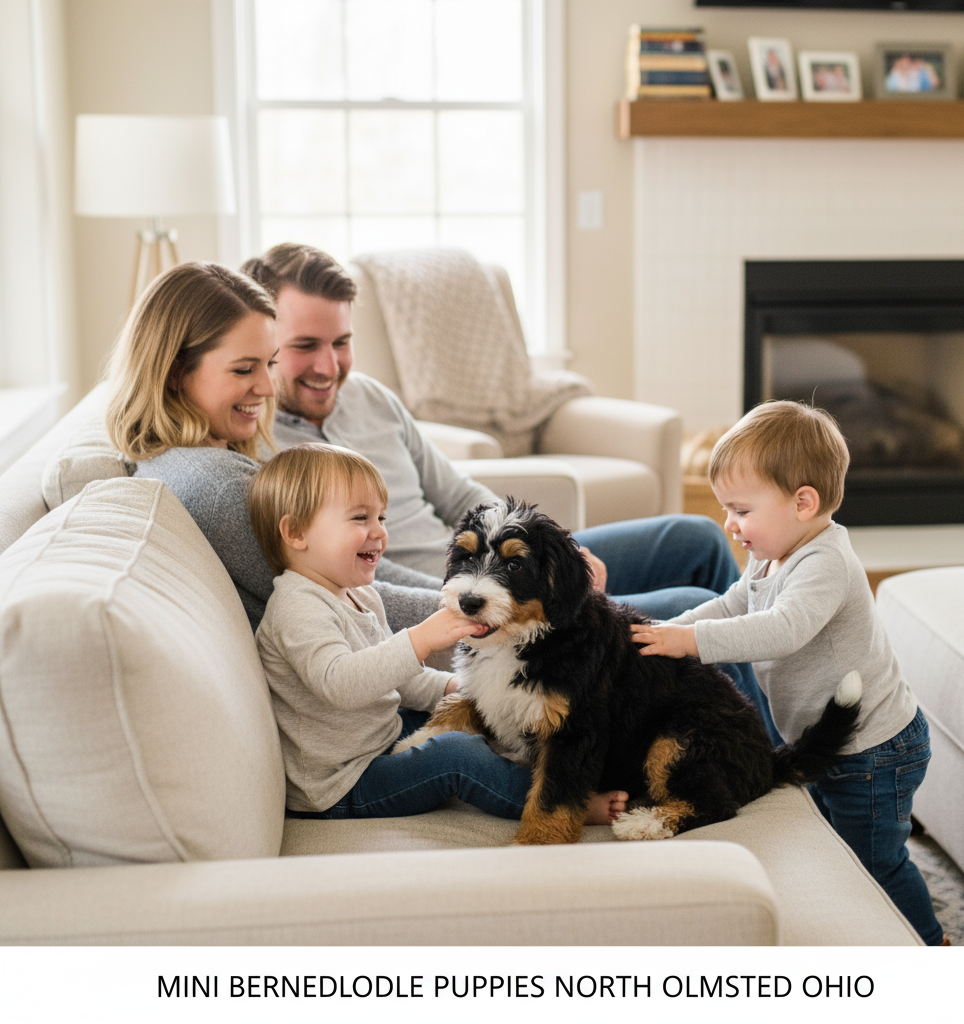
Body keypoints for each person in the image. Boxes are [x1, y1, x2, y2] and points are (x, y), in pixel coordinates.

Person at [239, 243, 782, 744]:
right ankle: (768, 776)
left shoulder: (370, 398)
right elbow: (349, 582)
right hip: (467, 613)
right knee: (694, 615)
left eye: (342, 342)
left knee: (695, 537)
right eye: (304, 347)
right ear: (265, 346)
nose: (329, 367)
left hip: (502, 569)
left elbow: (459, 495)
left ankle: (765, 737)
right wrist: (489, 598)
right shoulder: (263, 453)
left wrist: (561, 555)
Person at [629, 400, 946, 946]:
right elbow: (732, 604)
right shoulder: (771, 553)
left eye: (741, 510)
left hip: (874, 749)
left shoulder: (826, 562)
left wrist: (690, 643)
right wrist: (668, 630)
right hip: (829, 741)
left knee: (876, 860)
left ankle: (929, 948)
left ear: (803, 503)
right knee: (834, 846)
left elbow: (782, 628)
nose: (729, 525)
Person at [247, 441, 627, 823]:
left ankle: (559, 774)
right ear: (296, 533)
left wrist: (457, 689)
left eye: (382, 518)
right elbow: (341, 684)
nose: (379, 533)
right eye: (360, 518)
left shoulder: (358, 594)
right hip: (340, 784)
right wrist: (421, 639)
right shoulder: (297, 608)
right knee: (459, 757)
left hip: (378, 737)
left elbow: (394, 682)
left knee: (468, 720)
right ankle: (569, 806)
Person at [105, 261, 439, 636]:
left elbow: (347, 570)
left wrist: (466, 594)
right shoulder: (222, 489)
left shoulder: (191, 461)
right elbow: (350, 598)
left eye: (270, 363)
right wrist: (486, 610)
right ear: (176, 373)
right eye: (245, 369)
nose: (268, 388)